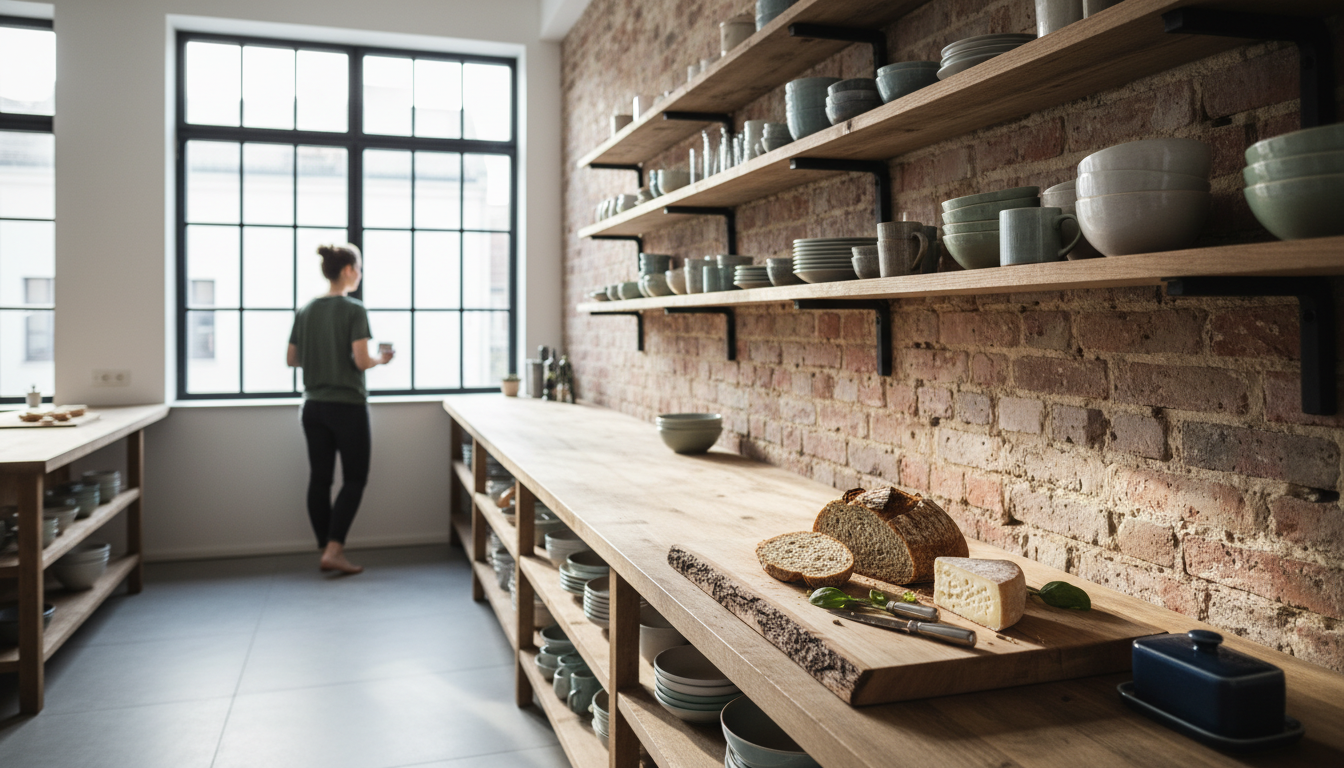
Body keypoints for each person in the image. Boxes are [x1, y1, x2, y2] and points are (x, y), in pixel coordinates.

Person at [286, 244, 393, 575]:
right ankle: (334, 549)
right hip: (347, 407)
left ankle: (325, 548)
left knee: (320, 479)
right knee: (355, 478)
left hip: (313, 407)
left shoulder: (305, 310)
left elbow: (291, 359)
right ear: (347, 269)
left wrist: (321, 357)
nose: (360, 274)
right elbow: (361, 361)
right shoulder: (353, 310)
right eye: (358, 267)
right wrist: (381, 359)